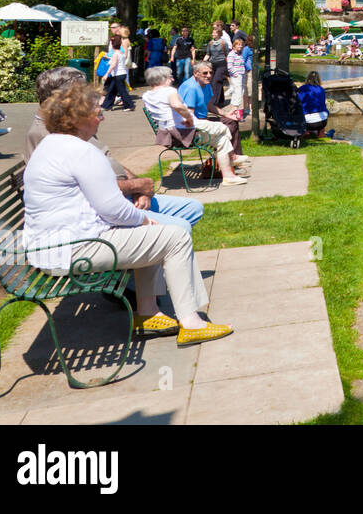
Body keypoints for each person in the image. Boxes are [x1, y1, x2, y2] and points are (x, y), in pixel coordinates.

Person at [24, 82, 233, 345]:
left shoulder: (53, 145)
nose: (102, 117)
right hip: (73, 249)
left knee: (152, 232)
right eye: (97, 112)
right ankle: (191, 323)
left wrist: (143, 221)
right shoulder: (81, 151)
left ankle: (147, 313)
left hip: (53, 246)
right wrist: (144, 218)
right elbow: (112, 208)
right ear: (78, 119)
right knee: (175, 236)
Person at [24, 67, 204, 232]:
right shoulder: (48, 133)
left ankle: (150, 262)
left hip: (120, 197)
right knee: (179, 229)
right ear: (64, 96)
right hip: (97, 214)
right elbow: (88, 190)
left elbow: (108, 160)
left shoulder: (72, 122)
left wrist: (138, 188)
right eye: (82, 91)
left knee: (192, 209)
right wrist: (137, 186)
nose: (87, 97)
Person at [142, 66, 248, 186]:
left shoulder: (147, 95)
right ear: (163, 78)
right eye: (170, 77)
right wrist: (188, 118)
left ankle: (229, 176)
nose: (172, 79)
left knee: (222, 139)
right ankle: (232, 158)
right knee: (222, 128)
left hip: (167, 134)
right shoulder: (169, 91)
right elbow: (177, 105)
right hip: (184, 132)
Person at [100, 33, 134, 111]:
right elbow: (116, 60)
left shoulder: (116, 54)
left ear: (112, 45)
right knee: (112, 90)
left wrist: (106, 74)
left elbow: (113, 65)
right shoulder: (121, 53)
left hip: (117, 75)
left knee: (122, 91)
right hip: (121, 74)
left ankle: (129, 105)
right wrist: (109, 57)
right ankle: (106, 106)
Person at [297, 71, 330, 138]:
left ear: (307, 78)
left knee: (299, 111)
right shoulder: (321, 90)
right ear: (319, 79)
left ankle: (305, 132)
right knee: (324, 110)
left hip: (306, 122)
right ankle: (321, 134)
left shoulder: (302, 88)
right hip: (322, 122)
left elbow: (297, 102)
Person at [204, 21, 229, 107]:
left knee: (216, 81)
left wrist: (229, 66)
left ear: (219, 33)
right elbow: (208, 54)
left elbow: (227, 54)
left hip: (221, 64)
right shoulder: (210, 43)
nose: (213, 34)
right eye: (212, 33)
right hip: (212, 65)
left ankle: (214, 103)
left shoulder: (223, 43)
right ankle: (221, 100)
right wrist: (202, 63)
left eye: (214, 32)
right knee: (214, 82)